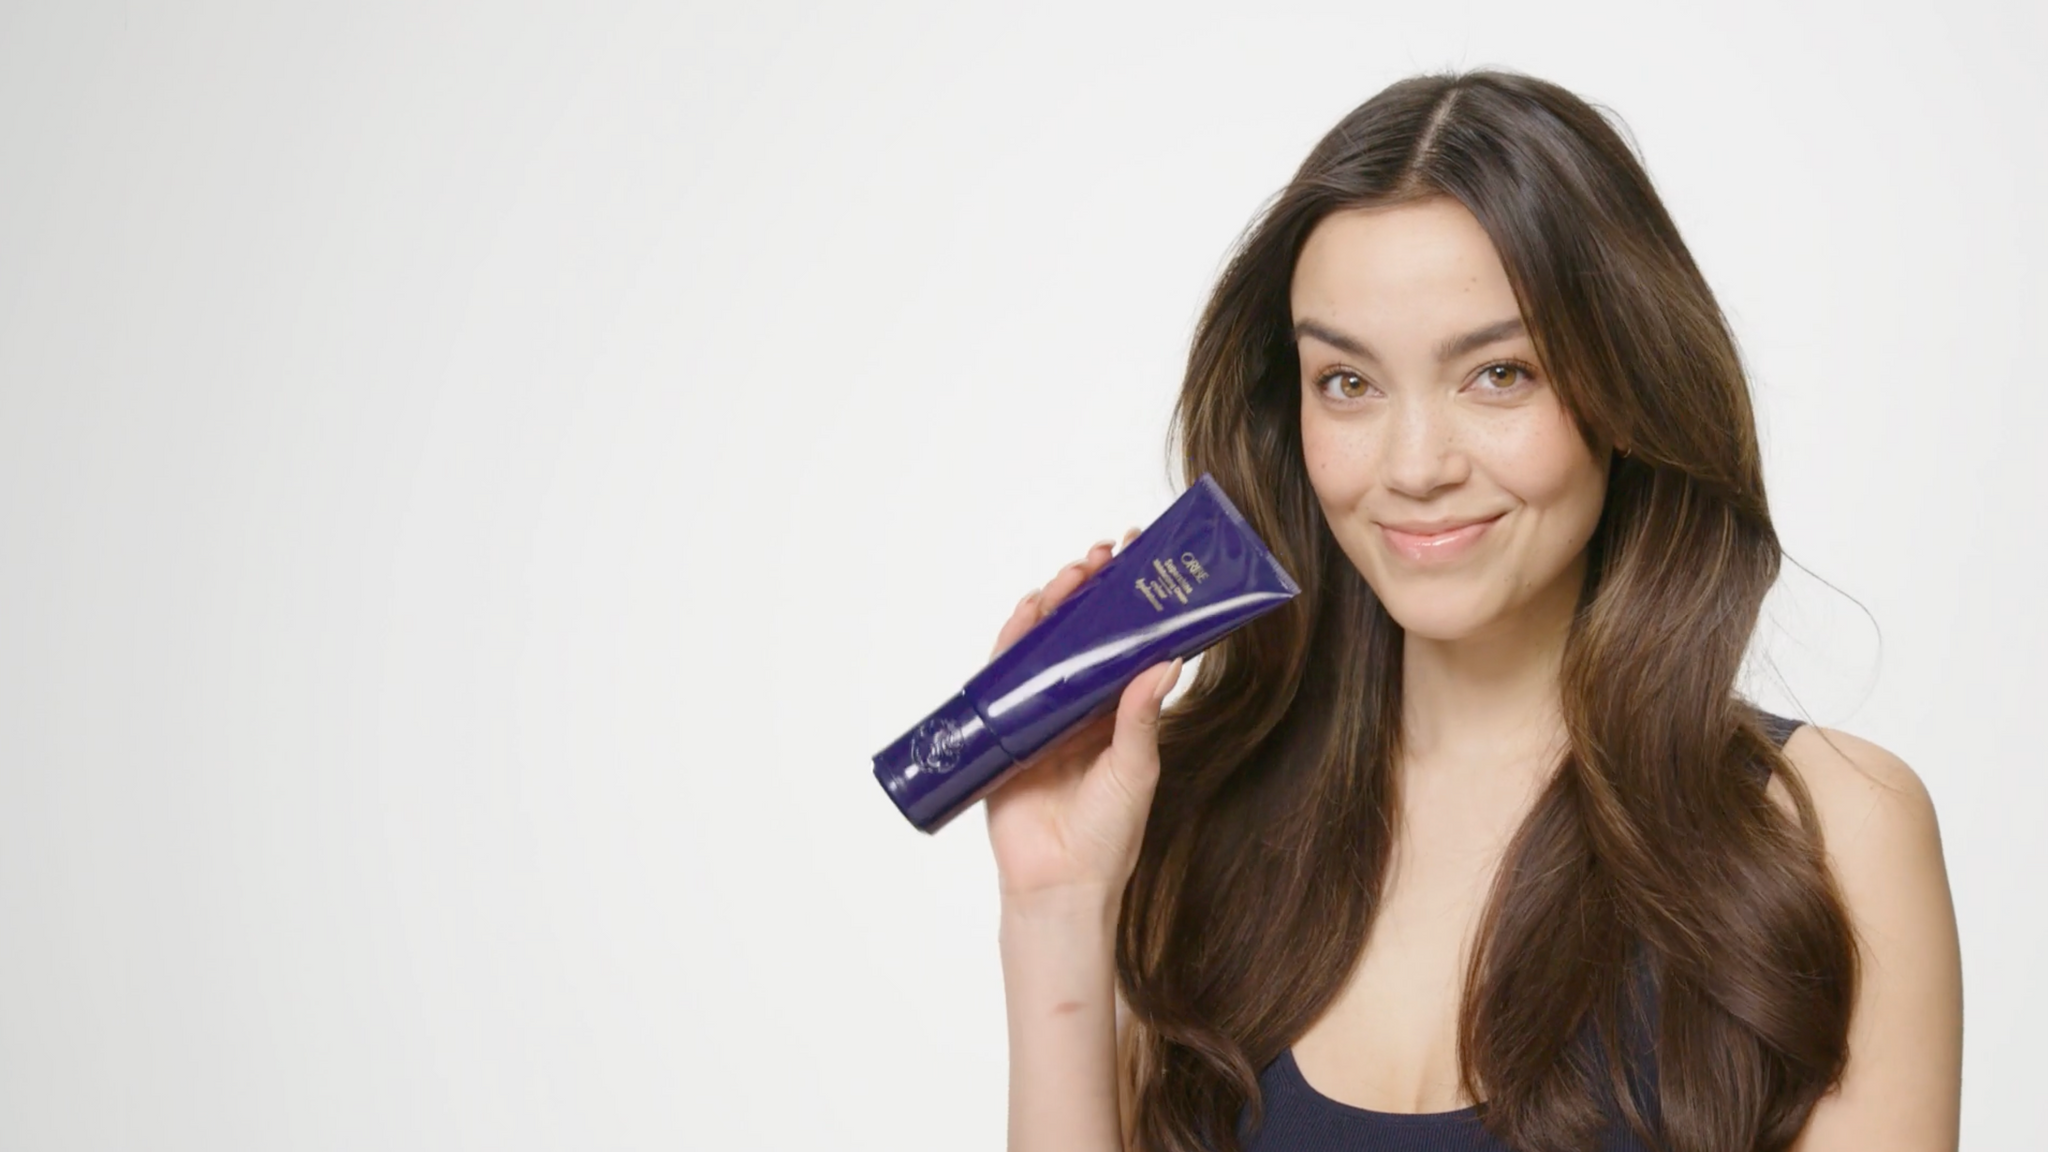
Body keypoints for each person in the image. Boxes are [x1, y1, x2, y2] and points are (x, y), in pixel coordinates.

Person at [981, 69, 1963, 1152]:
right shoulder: (1189, 822)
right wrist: (1055, 906)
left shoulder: (1827, 832)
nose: (1414, 467)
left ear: (1625, 387)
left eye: (1498, 374)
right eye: (1347, 383)